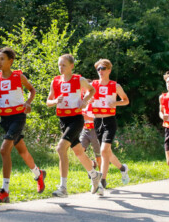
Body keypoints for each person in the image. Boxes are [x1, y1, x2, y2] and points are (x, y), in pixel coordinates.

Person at [0, 47, 46, 203]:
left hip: (18, 117)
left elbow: (32, 90)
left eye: (2, 59)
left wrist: (28, 103)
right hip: (5, 119)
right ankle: (38, 174)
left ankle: (5, 191)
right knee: (22, 151)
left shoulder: (18, 76)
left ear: (10, 61)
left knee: (4, 150)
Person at [46, 54, 103, 197]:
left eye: (64, 65)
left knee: (61, 148)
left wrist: (85, 100)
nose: (61, 68)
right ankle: (95, 175)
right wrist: (55, 101)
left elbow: (92, 90)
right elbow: (48, 102)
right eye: (59, 65)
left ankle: (63, 188)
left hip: (76, 119)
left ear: (71, 66)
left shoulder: (79, 80)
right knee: (78, 151)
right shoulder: (55, 81)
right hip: (63, 120)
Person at [88, 59, 130, 194]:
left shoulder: (115, 86)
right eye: (98, 69)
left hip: (109, 121)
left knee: (104, 150)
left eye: (103, 68)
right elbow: (85, 98)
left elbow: (126, 100)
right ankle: (122, 168)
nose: (100, 71)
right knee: (107, 152)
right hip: (97, 121)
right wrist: (89, 99)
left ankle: (102, 180)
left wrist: (116, 103)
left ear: (109, 70)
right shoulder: (93, 85)